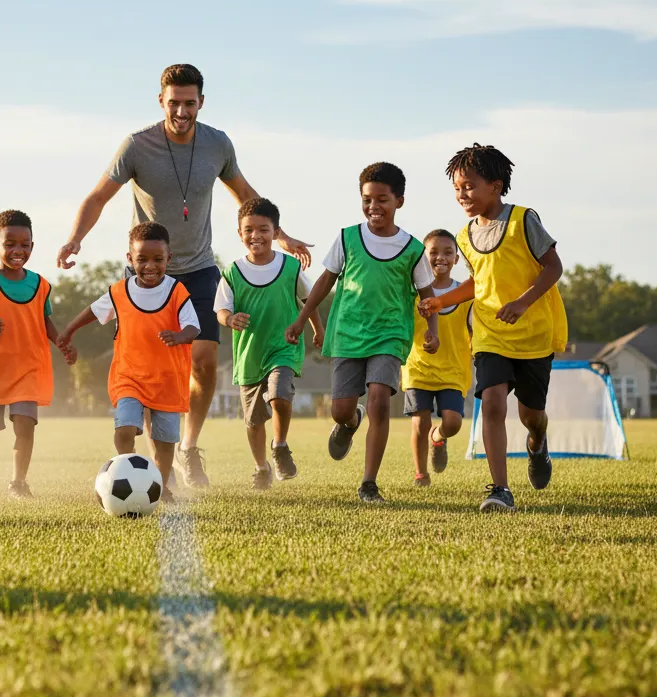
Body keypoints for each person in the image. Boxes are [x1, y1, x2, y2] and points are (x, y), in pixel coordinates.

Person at [56, 63, 311, 489]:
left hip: (198, 268)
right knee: (149, 362)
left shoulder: (217, 143)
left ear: (201, 103)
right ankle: (147, 450)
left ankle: (188, 449)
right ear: (161, 101)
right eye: (173, 103)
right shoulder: (136, 146)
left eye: (189, 103)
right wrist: (74, 239)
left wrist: (281, 237)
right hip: (146, 275)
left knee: (206, 363)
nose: (181, 111)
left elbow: (247, 196)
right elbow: (98, 196)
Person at [419, 144, 566, 513]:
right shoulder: (464, 236)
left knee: (531, 415)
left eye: (468, 186)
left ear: (496, 186)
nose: (461, 195)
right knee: (493, 404)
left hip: (532, 334)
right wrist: (442, 300)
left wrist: (522, 303)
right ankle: (500, 489)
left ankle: (537, 442)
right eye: (456, 188)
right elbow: (478, 282)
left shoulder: (523, 220)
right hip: (489, 333)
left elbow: (553, 267)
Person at [286, 162, 440, 504]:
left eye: (382, 199)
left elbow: (428, 296)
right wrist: (302, 320)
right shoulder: (347, 238)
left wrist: (432, 330)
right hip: (348, 334)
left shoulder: (413, 249)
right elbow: (324, 282)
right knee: (340, 409)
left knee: (379, 401)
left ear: (399, 201)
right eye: (367, 199)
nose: (374, 207)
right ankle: (348, 422)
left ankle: (369, 483)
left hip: (389, 335)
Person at [59, 222, 199, 496]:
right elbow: (92, 310)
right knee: (124, 429)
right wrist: (69, 330)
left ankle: (160, 483)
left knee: (164, 442)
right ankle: (129, 473)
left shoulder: (177, 292)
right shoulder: (119, 292)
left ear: (168, 259)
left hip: (168, 380)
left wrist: (181, 336)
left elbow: (193, 326)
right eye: (142, 259)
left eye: (158, 259)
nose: (150, 266)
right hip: (129, 377)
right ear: (129, 259)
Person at [0, 210, 75, 498]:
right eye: (10, 243)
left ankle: (18, 483)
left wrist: (61, 342)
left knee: (25, 427)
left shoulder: (40, 285)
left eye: (25, 245)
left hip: (28, 368)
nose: (17, 250)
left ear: (32, 247)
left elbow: (44, 320)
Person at [214, 197, 323, 490]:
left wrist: (318, 330)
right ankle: (261, 467)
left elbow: (308, 301)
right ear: (240, 233)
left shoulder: (290, 267)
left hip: (283, 347)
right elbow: (221, 309)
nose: (256, 236)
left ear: (276, 233)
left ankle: (280, 446)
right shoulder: (232, 272)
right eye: (249, 230)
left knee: (279, 394)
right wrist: (229, 319)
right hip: (249, 355)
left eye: (263, 229)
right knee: (252, 421)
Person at [400, 229, 471, 487]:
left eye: (448, 252)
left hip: (453, 369)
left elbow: (474, 326)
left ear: (456, 259)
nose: (440, 257)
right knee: (420, 420)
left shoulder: (464, 292)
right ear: (424, 258)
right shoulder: (412, 292)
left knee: (452, 422)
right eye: (433, 252)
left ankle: (438, 438)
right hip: (417, 367)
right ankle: (421, 474)